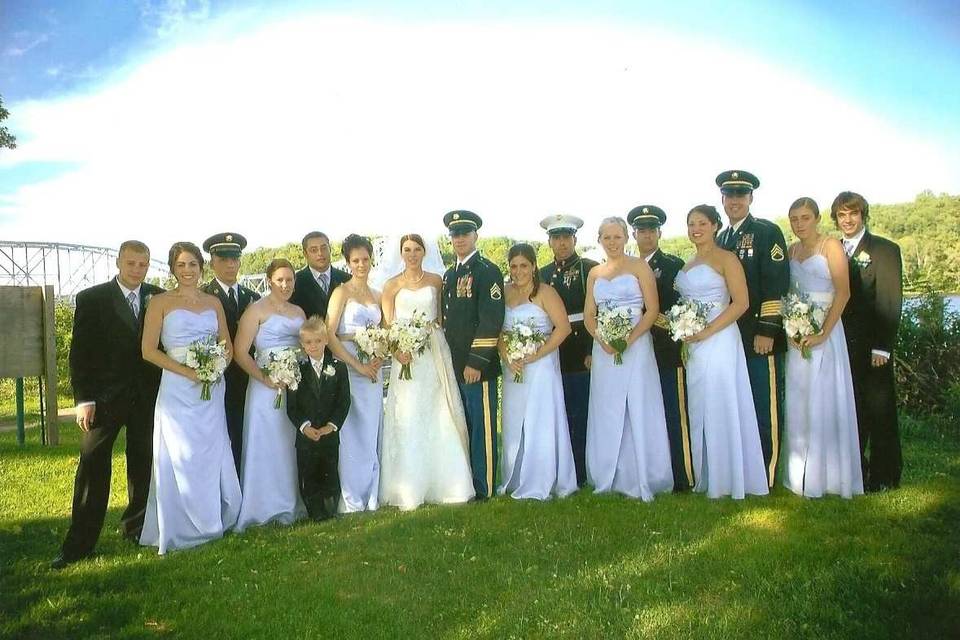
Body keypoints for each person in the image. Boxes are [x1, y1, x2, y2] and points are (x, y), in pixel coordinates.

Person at [52, 241, 164, 569]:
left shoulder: (157, 297)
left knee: (143, 464)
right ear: (118, 262)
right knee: (92, 465)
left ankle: (136, 528)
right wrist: (83, 400)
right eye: (131, 263)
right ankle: (79, 543)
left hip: (146, 397)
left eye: (142, 264)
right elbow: (80, 355)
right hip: (103, 400)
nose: (136, 269)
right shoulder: (92, 298)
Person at [140, 242, 241, 554]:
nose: (187, 271)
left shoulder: (213, 302)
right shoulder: (160, 302)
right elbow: (148, 351)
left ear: (202, 267)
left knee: (209, 453)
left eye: (192, 265)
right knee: (181, 454)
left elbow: (228, 346)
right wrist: (189, 372)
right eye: (181, 265)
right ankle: (180, 526)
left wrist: (214, 368)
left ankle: (213, 520)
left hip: (211, 388)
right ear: (172, 268)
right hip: (177, 389)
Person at [675, 205, 768, 499]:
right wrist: (686, 329)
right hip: (694, 345)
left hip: (721, 338)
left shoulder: (727, 258)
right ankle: (708, 475)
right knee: (701, 405)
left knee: (722, 403)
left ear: (715, 226)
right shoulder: (687, 265)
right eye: (691, 224)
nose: (696, 229)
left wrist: (707, 331)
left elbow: (741, 303)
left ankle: (732, 477)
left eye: (702, 223)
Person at [378, 234, 475, 509]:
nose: (412, 254)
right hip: (405, 356)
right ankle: (407, 486)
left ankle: (449, 482)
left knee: (438, 411)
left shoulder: (436, 280)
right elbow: (387, 326)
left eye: (417, 249)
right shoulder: (392, 285)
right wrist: (398, 350)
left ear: (424, 252)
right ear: (401, 253)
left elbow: (441, 319)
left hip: (432, 352)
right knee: (407, 413)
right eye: (407, 250)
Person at [583, 217, 673, 500]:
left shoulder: (639, 266)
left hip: (636, 344)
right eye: (606, 238)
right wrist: (603, 340)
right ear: (600, 240)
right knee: (607, 406)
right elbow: (589, 314)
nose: (612, 242)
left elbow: (652, 309)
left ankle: (645, 475)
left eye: (617, 237)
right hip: (605, 348)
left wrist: (628, 340)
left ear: (626, 238)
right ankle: (609, 472)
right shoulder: (594, 273)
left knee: (639, 404)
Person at [783, 198, 863, 498]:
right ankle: (800, 474)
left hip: (825, 331)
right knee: (799, 400)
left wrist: (823, 334)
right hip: (797, 333)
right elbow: (789, 293)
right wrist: (792, 325)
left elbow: (843, 293)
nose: (799, 223)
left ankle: (829, 476)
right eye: (794, 219)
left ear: (816, 219)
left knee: (824, 399)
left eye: (804, 217)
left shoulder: (830, 246)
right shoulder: (791, 250)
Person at [715, 170, 790, 487]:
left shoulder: (766, 232)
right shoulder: (720, 239)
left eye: (740, 195)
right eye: (729, 195)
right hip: (729, 338)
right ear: (722, 199)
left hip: (757, 336)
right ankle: (745, 470)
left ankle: (768, 474)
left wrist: (767, 330)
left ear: (750, 198)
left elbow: (777, 285)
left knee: (764, 404)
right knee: (739, 405)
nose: (734, 201)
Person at [833, 191, 903, 491]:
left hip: (872, 345)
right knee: (852, 409)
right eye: (841, 215)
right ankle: (856, 472)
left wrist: (882, 347)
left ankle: (885, 475)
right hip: (839, 345)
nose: (847, 220)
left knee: (880, 410)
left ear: (863, 216)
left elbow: (890, 300)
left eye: (853, 214)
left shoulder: (884, 250)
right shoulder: (832, 248)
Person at [232, 258, 307, 530]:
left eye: (289, 280)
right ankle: (261, 507)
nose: (285, 285)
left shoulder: (299, 311)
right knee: (266, 443)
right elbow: (240, 352)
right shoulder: (256, 310)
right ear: (269, 281)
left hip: (293, 386)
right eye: (280, 280)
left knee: (289, 442)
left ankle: (290, 501)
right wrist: (265, 378)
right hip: (264, 388)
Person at [498, 243, 577, 500]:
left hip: (541, 366)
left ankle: (540, 477)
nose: (518, 271)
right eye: (513, 266)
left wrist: (537, 354)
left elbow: (563, 328)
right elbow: (498, 331)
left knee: (539, 420)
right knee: (513, 420)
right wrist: (508, 356)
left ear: (533, 266)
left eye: (523, 265)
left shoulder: (546, 292)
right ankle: (515, 475)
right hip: (514, 367)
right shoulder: (505, 292)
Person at [440, 210, 506, 500]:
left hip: (476, 366)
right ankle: (469, 482)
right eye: (455, 234)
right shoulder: (449, 273)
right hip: (454, 364)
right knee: (464, 425)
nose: (459, 239)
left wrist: (476, 362)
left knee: (483, 428)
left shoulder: (486, 271)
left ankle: (486, 486)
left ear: (475, 235)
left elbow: (491, 319)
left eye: (465, 233)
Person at [628, 205, 694, 492]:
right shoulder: (627, 267)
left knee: (673, 412)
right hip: (634, 353)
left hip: (665, 349)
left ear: (659, 233)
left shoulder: (671, 265)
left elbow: (681, 311)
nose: (646, 235)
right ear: (634, 233)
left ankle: (683, 474)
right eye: (641, 230)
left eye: (651, 230)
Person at [538, 214, 598, 487]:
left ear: (575, 239)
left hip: (580, 349)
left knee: (582, 411)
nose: (561, 243)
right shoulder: (542, 274)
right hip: (551, 353)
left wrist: (592, 350)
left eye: (566, 238)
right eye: (556, 238)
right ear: (549, 241)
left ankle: (584, 471)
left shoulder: (589, 268)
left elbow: (598, 313)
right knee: (558, 413)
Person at [326, 234, 383, 513]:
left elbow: (387, 334)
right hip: (349, 368)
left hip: (373, 371)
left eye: (365, 259)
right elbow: (330, 334)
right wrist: (357, 365)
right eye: (355, 260)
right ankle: (351, 498)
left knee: (371, 429)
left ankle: (371, 492)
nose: (361, 264)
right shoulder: (341, 293)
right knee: (351, 431)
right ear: (348, 263)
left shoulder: (378, 295)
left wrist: (376, 359)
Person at [201, 232, 260, 474]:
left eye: (234, 258)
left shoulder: (253, 298)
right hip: (217, 379)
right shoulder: (203, 296)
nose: (230, 264)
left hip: (248, 378)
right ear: (212, 262)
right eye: (223, 259)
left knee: (247, 435)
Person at [286, 316, 351, 521]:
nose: (313, 346)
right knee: (308, 473)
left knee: (330, 471)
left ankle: (330, 507)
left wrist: (331, 426)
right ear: (302, 345)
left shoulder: (338, 368)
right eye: (308, 342)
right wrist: (304, 427)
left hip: (329, 434)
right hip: (306, 436)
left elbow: (344, 401)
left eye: (317, 341)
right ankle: (315, 511)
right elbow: (292, 406)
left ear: (325, 341)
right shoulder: (296, 370)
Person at [290, 231, 351, 321]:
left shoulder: (347, 279)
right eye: (314, 250)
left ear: (330, 249)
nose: (320, 253)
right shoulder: (295, 283)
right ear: (305, 254)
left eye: (324, 248)